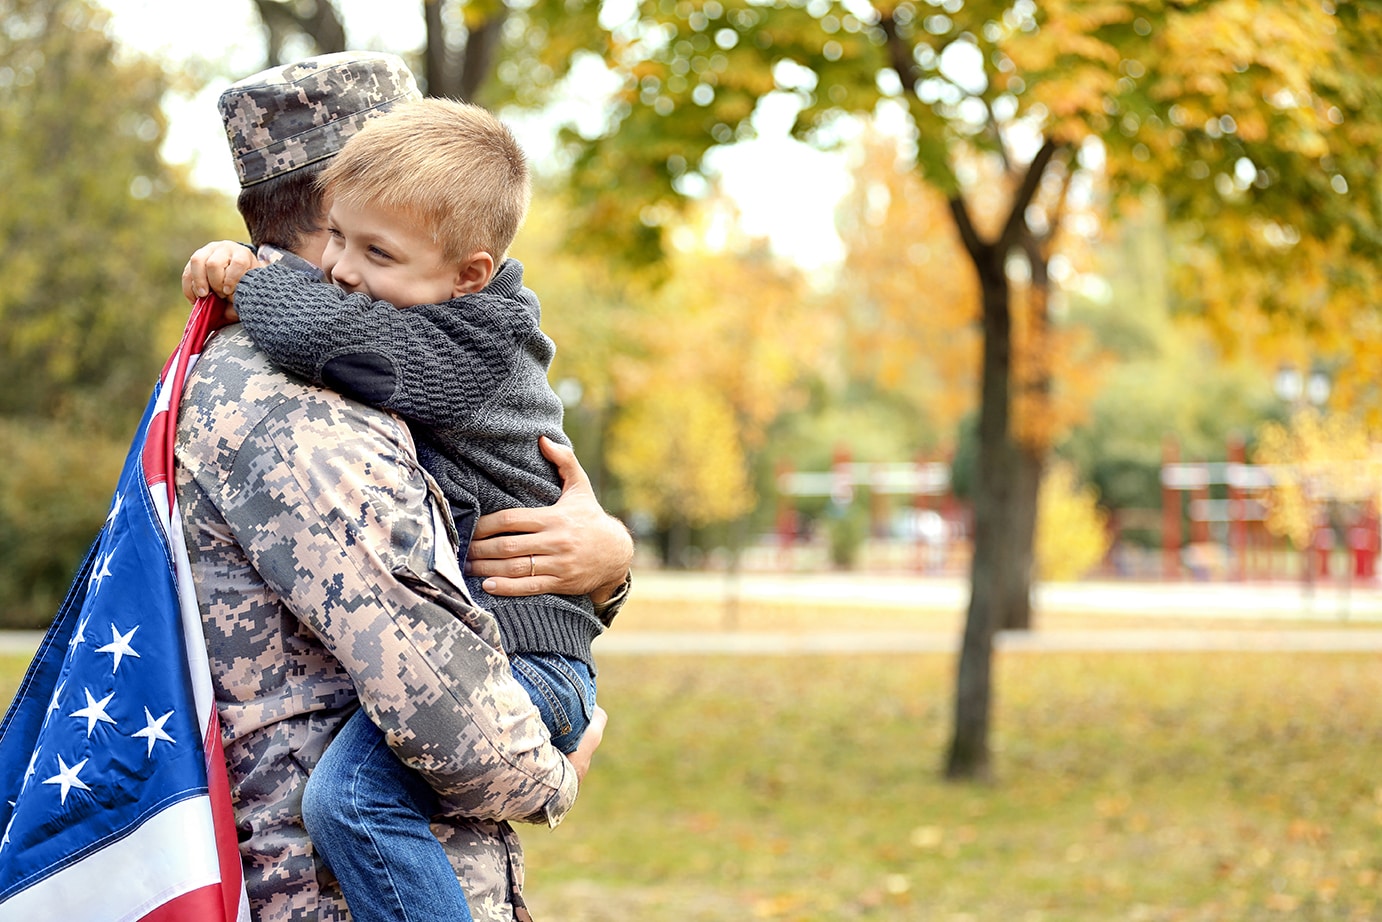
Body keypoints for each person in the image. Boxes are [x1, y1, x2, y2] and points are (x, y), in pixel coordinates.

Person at [176, 52, 633, 922]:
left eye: (378, 248)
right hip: (319, 888)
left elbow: (502, 508)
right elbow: (448, 707)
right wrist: (553, 772)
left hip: (528, 664)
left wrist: (610, 563)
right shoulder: (297, 403)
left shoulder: (434, 339)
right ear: (326, 211)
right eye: (344, 241)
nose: (349, 272)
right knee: (352, 800)